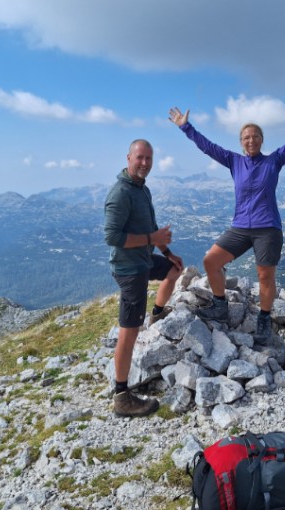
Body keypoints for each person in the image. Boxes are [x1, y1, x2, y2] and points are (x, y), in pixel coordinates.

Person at [168, 85, 285, 341]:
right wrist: (186, 127)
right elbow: (208, 147)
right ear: (241, 142)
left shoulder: (274, 160)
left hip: (267, 229)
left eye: (255, 136)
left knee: (265, 276)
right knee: (211, 261)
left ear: (262, 140)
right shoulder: (234, 161)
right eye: (246, 137)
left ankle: (264, 319)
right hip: (240, 228)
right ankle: (220, 306)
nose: (251, 140)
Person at [104, 139, 184, 418]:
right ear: (128, 158)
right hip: (129, 269)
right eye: (140, 158)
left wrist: (168, 252)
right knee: (129, 330)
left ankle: (159, 314)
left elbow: (151, 229)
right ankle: (122, 395)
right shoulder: (121, 193)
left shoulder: (142, 190)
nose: (145, 163)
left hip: (143, 260)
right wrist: (153, 238)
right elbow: (112, 237)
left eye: (149, 158)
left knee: (174, 271)